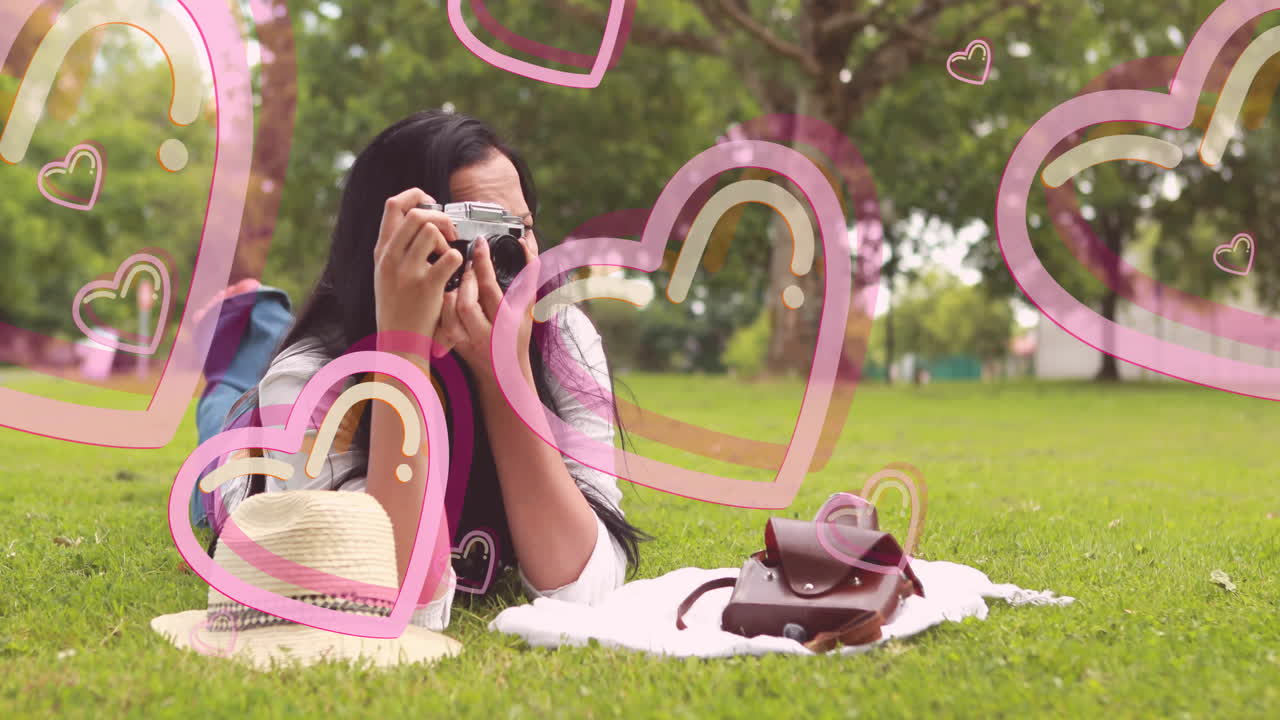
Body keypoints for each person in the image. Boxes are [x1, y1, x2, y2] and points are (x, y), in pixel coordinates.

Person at [194, 110, 646, 631]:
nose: (492, 262)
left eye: (514, 232)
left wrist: (507, 376)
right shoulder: (312, 375)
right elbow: (387, 602)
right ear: (386, 249)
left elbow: (585, 590)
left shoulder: (561, 336)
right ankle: (245, 339)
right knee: (224, 420)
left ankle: (254, 331)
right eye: (465, 237)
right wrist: (401, 352)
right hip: (245, 464)